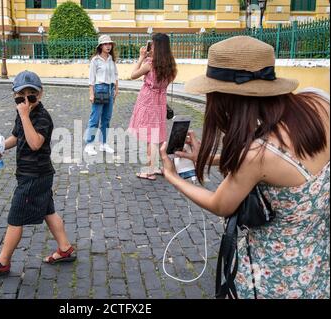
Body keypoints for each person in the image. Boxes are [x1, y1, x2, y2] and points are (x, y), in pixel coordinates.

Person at [160, 36, 330, 298]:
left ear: (227, 99)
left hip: (270, 276)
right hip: (316, 263)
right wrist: (207, 158)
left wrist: (172, 176)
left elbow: (221, 204)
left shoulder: (257, 155)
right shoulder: (318, 103)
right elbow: (288, 163)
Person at [0, 71, 76, 278]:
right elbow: (17, 135)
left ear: (40, 95)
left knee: (16, 218)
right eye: (21, 97)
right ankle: (65, 248)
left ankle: (2, 262)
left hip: (35, 175)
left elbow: (35, 142)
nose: (26, 101)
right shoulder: (22, 113)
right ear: (14, 96)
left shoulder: (42, 117)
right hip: (32, 174)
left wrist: (24, 115)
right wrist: (3, 146)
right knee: (48, 210)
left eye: (31, 95)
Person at [128, 33, 177, 180]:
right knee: (156, 136)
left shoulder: (149, 64)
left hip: (148, 100)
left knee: (151, 137)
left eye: (153, 44)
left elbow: (133, 74)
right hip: (160, 101)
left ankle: (148, 171)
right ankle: (155, 167)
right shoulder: (171, 65)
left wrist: (141, 57)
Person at [84, 34, 119, 156]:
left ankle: (104, 144)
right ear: (100, 46)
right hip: (99, 89)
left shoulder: (111, 59)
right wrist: (91, 94)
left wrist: (116, 89)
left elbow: (115, 75)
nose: (108, 46)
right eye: (105, 44)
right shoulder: (95, 60)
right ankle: (89, 144)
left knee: (106, 119)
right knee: (95, 118)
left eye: (109, 44)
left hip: (110, 89)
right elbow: (91, 79)